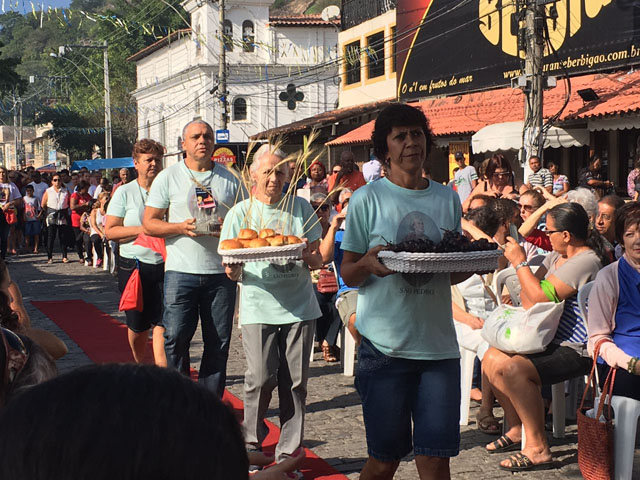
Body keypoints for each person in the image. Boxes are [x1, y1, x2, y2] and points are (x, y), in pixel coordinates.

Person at [340, 104, 472, 480]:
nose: (411, 142)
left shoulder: (447, 198)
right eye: (400, 136)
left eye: (417, 134)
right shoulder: (367, 199)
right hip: (385, 350)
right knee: (385, 461)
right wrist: (367, 264)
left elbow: (445, 273)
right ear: (385, 150)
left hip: (438, 350)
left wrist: (474, 264)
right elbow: (349, 272)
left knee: (435, 461)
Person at [483, 202, 606, 471]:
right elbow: (528, 298)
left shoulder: (585, 261)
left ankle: (538, 447)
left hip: (577, 346)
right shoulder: (555, 257)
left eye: (549, 232)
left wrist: (520, 262)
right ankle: (517, 427)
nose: (546, 236)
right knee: (491, 358)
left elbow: (536, 296)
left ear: (566, 235)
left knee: (515, 369)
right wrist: (527, 280)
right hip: (548, 337)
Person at [221, 143, 322, 472]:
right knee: (260, 379)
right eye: (267, 172)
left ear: (289, 174)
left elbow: (317, 257)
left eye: (280, 171)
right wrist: (233, 269)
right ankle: (251, 446)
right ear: (253, 175)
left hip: (299, 307)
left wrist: (308, 256)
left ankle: (288, 456)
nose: (274, 178)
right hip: (258, 306)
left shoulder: (300, 208)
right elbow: (232, 267)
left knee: (296, 384)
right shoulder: (240, 213)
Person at [143, 121, 243, 395]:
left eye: (207, 136)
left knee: (218, 343)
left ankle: (209, 404)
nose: (202, 141)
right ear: (183, 143)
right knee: (175, 338)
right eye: (195, 137)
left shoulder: (230, 178)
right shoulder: (169, 177)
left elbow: (246, 221)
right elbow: (149, 223)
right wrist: (180, 227)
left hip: (220, 272)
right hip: (180, 271)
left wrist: (229, 228)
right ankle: (179, 400)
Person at [107, 139, 167, 366]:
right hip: (134, 265)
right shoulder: (124, 192)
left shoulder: (168, 189)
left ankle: (162, 373)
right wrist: (145, 229)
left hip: (167, 264)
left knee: (163, 322)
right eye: (149, 160)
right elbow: (111, 231)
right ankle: (141, 364)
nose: (154, 164)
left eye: (158, 160)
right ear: (136, 163)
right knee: (138, 324)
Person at [587, 202, 640, 402]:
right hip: (622, 364)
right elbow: (598, 338)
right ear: (621, 240)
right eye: (630, 234)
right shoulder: (609, 277)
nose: (638, 240)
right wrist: (631, 363)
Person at [309, 192, 341, 362]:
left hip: (334, 279)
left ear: (330, 210)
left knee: (342, 301)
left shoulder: (338, 231)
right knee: (319, 299)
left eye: (324, 208)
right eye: (315, 208)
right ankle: (326, 342)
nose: (320, 212)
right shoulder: (307, 233)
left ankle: (328, 341)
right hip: (313, 279)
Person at [41, 173, 71, 264]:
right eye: (55, 180)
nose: (57, 182)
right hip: (52, 214)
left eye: (59, 180)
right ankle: (49, 257)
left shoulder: (65, 191)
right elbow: (43, 204)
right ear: (52, 182)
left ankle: (64, 256)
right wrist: (49, 211)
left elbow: (69, 202)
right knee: (51, 236)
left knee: (63, 236)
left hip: (62, 214)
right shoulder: (48, 191)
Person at [0, 167, 22, 259]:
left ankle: (3, 257)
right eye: (0, 172)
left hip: (8, 213)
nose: (1, 175)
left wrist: (9, 204)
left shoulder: (12, 185)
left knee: (4, 236)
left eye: (3, 172)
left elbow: (19, 199)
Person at [69, 180, 92, 263]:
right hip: (77, 219)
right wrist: (83, 205)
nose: (87, 190)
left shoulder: (88, 196)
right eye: (86, 188)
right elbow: (72, 207)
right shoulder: (75, 195)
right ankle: (80, 255)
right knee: (78, 238)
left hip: (86, 219)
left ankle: (88, 254)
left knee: (86, 238)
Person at [89, 192, 109, 268]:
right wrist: (101, 233)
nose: (107, 200)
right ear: (100, 200)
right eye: (106, 198)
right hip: (96, 231)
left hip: (106, 231)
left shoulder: (109, 211)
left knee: (109, 242)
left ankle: (109, 258)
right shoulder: (94, 211)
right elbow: (94, 224)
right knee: (96, 240)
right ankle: (100, 257)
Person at [22, 185, 42, 254]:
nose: (29, 192)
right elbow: (23, 208)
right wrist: (23, 216)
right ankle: (27, 247)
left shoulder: (36, 198)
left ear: (33, 191)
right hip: (27, 218)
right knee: (27, 234)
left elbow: (40, 208)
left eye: (30, 191)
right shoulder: (24, 198)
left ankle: (36, 248)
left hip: (35, 218)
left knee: (36, 234)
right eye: (27, 191)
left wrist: (39, 215)